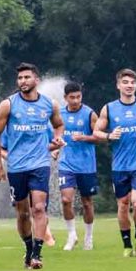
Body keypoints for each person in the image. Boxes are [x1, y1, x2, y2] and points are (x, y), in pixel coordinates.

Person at [0, 62, 65, 270]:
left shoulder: (50, 104)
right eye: (20, 78)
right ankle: (28, 247)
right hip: (16, 167)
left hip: (40, 164)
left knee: (39, 208)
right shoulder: (8, 105)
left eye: (27, 77)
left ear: (36, 80)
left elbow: (59, 125)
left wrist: (58, 138)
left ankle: (37, 255)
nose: (22, 81)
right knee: (23, 213)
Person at [94, 68, 136, 257]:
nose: (129, 86)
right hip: (119, 165)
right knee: (123, 205)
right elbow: (96, 132)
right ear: (118, 85)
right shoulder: (109, 108)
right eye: (125, 82)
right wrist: (109, 135)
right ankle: (127, 244)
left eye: (132, 82)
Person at [58, 81, 102, 251]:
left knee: (87, 202)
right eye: (72, 97)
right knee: (66, 199)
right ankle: (72, 235)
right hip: (66, 164)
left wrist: (84, 137)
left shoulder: (90, 114)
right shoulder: (60, 115)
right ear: (65, 98)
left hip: (86, 165)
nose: (75, 100)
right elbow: (56, 135)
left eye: (78, 97)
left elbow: (99, 137)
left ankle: (89, 237)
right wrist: (55, 149)